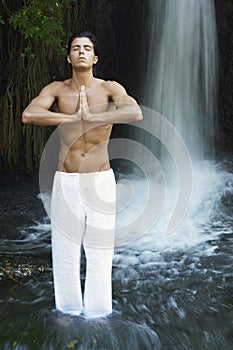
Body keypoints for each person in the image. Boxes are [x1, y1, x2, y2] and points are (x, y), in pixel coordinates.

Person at [22, 31, 143, 318]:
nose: (81, 52)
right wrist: (70, 118)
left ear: (95, 57)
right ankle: (67, 312)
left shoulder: (110, 88)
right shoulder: (57, 90)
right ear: (68, 57)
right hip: (67, 179)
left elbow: (135, 113)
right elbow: (29, 114)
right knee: (65, 250)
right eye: (76, 48)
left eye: (87, 48)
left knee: (100, 250)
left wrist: (94, 117)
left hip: (100, 179)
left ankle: (99, 314)